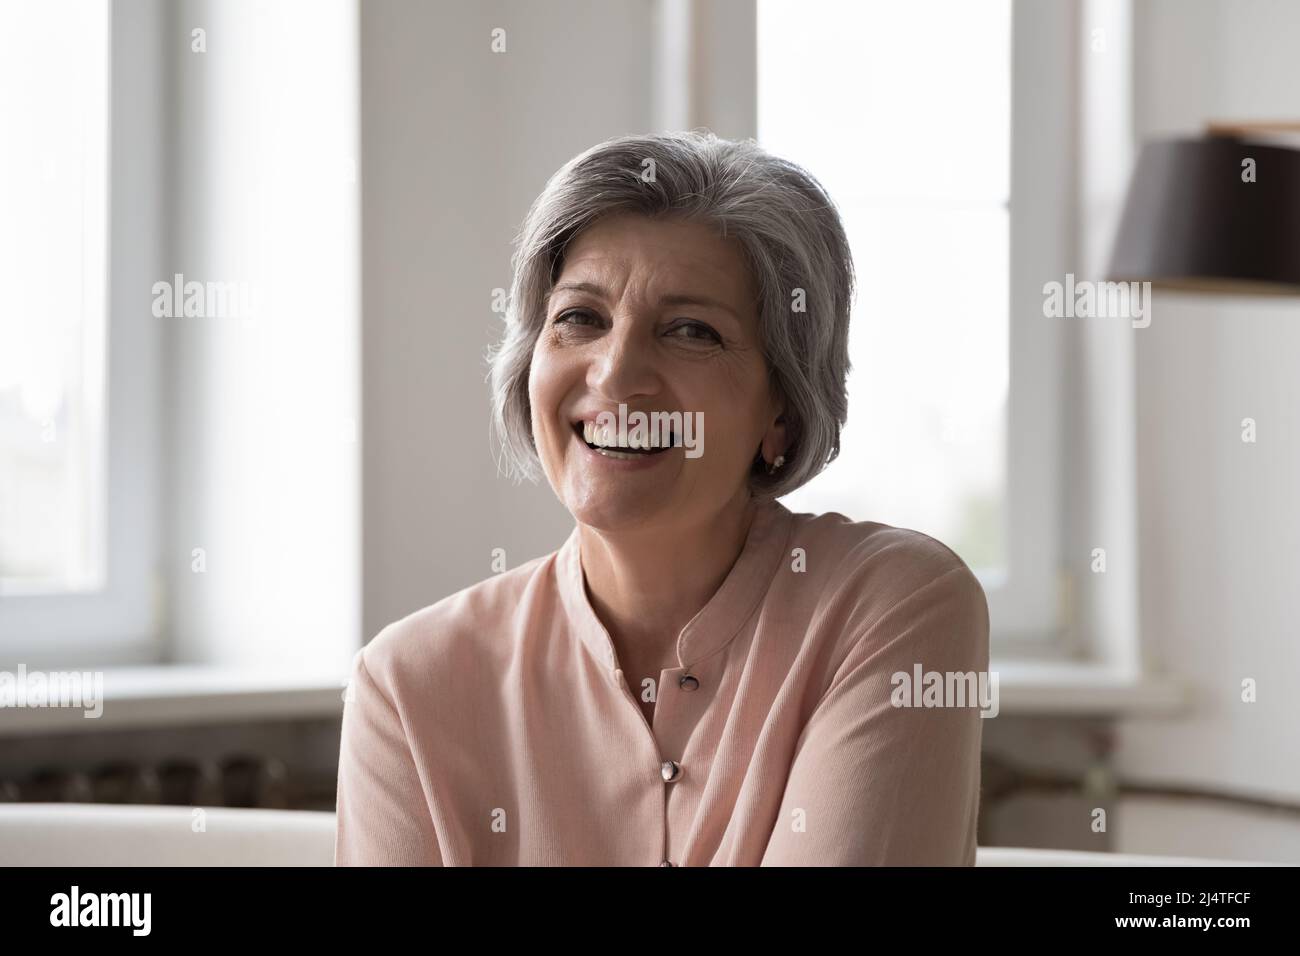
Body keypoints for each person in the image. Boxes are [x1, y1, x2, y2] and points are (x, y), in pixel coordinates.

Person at [334, 130, 989, 866]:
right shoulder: (408, 684)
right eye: (580, 317)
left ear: (782, 408)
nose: (614, 375)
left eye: (690, 330)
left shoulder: (893, 606)